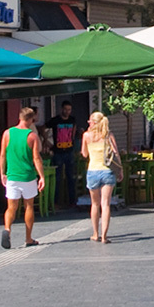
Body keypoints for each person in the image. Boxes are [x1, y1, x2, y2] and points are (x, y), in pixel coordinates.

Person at [0, 107, 45, 249]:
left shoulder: (7, 133)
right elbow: (36, 158)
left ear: (19, 117)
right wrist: (41, 176)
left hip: (12, 175)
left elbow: (2, 155)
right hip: (27, 176)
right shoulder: (32, 136)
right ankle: (28, 238)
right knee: (29, 206)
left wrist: (2, 173)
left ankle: (7, 229)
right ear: (31, 120)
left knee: (11, 207)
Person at [80, 111, 117, 243]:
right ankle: (104, 236)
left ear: (94, 123)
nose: (88, 123)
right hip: (107, 171)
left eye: (90, 121)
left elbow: (84, 154)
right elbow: (116, 154)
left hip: (93, 171)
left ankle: (95, 233)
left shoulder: (86, 136)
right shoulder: (108, 135)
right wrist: (121, 170)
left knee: (95, 204)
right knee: (105, 204)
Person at [45, 101, 82, 208]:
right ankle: (56, 201)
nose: (67, 112)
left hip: (69, 151)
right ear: (61, 109)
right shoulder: (56, 120)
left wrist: (73, 143)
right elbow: (43, 127)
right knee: (57, 177)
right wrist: (48, 142)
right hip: (58, 152)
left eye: (69, 110)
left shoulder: (72, 120)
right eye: (65, 109)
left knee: (71, 176)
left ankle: (72, 201)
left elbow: (74, 132)